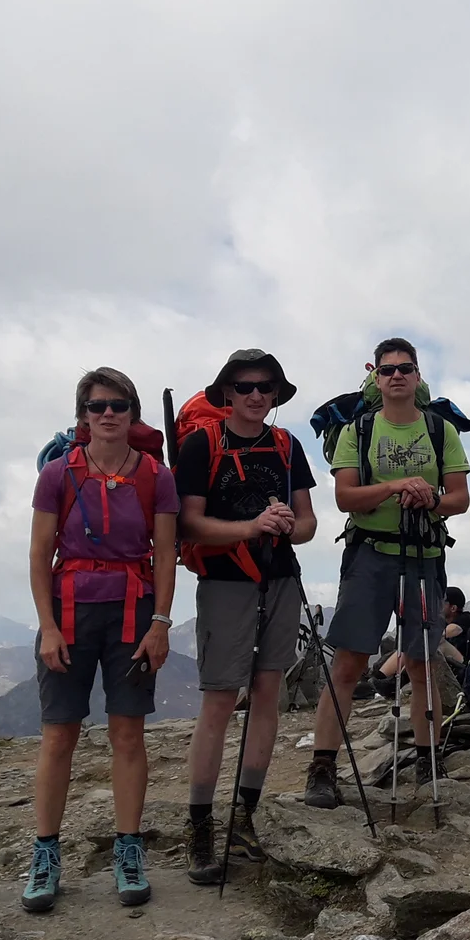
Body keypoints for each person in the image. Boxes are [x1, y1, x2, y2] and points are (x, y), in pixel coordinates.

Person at [26, 367, 178, 912]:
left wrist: (161, 621)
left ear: (132, 413)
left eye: (117, 405)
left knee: (128, 734)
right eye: (97, 406)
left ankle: (129, 849)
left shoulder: (157, 477)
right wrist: (46, 626)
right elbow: (39, 555)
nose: (108, 414)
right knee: (58, 735)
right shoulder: (56, 475)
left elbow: (165, 555)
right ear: (82, 416)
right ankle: (45, 853)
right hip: (68, 613)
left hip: (133, 612)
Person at [306, 338, 470, 807]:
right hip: (370, 554)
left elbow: (457, 497)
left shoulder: (441, 431)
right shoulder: (358, 430)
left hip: (423, 554)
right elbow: (344, 498)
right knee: (348, 662)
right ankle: (322, 767)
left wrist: (430, 500)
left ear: (417, 377)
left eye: (405, 368)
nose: (396, 376)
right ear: (376, 379)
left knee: (421, 660)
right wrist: (399, 486)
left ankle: (427, 759)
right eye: (388, 370)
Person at [174, 349, 317, 886]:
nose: (256, 394)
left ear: (275, 394)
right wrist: (253, 527)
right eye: (244, 386)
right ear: (227, 394)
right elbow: (188, 525)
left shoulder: (286, 446)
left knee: (267, 692)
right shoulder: (200, 445)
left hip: (279, 576)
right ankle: (201, 827)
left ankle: (246, 817)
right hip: (226, 583)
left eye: (265, 386)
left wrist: (284, 526)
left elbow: (308, 523)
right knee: (218, 699)